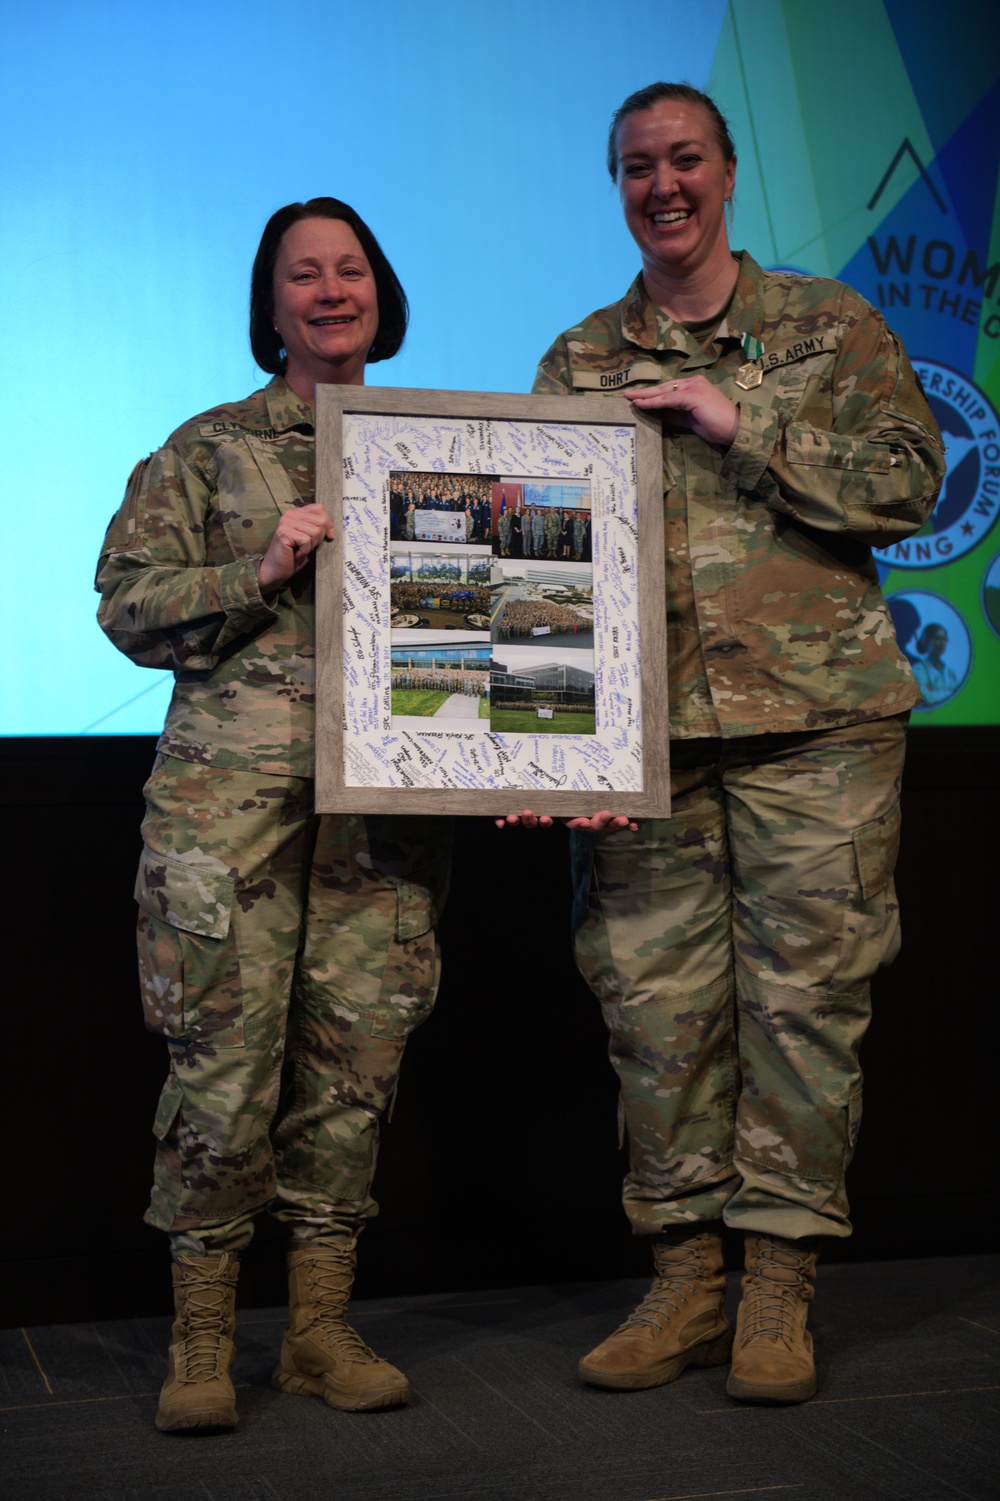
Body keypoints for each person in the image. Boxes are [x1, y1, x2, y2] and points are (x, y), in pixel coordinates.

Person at [529, 83, 944, 1405]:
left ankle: (776, 1291)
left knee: (805, 1016)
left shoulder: (829, 324)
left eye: (685, 159)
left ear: (726, 170)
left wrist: (738, 418)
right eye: (638, 166)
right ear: (619, 185)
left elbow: (911, 483)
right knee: (655, 1020)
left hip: (817, 734)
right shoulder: (580, 360)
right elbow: (542, 577)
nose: (664, 183)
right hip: (646, 756)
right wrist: (562, 748)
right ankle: (685, 1281)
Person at [96, 198, 452, 1433]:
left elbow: (523, 622)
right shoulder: (204, 452)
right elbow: (125, 607)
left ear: (379, 291)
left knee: (355, 1066)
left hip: (386, 816)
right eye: (303, 274)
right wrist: (255, 570)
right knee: (223, 1070)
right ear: (271, 303)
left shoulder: (443, 449)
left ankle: (317, 1330)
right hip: (228, 817)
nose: (330, 289)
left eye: (350, 269)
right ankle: (201, 1341)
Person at [912, 623, 958, 706]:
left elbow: (959, 697)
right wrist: (950, 694)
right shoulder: (918, 670)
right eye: (938, 639)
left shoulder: (950, 673)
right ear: (926, 641)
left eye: (944, 639)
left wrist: (935, 692)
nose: (942, 643)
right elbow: (926, 698)